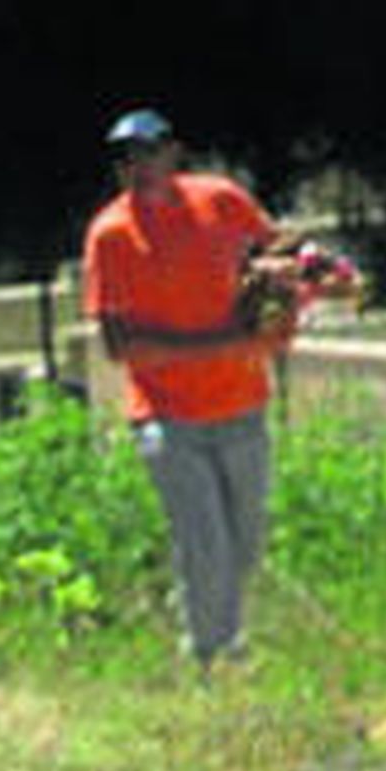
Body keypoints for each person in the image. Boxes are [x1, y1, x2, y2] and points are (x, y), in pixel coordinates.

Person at [82, 108, 293, 678]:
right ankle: (212, 655)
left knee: (244, 539)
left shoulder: (222, 201)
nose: (139, 166)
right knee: (205, 540)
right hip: (167, 419)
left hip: (243, 404)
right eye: (126, 158)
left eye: (149, 151)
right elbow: (121, 345)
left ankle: (219, 632)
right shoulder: (111, 234)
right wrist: (222, 341)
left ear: (174, 152)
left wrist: (285, 300)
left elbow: (281, 258)